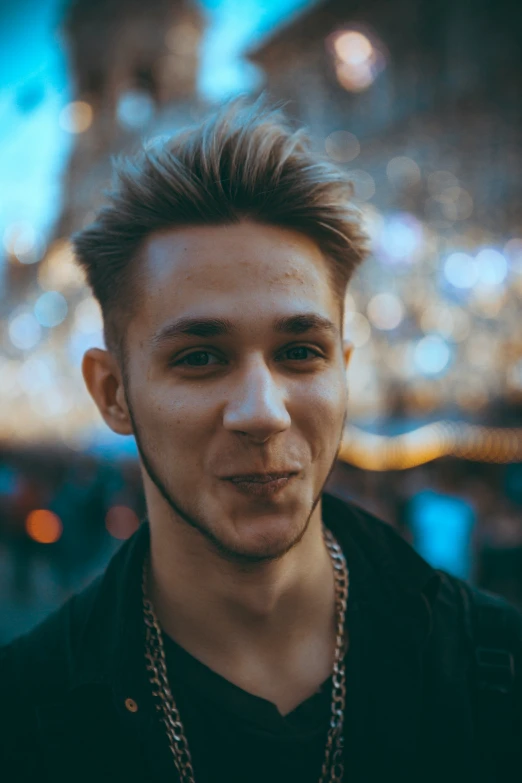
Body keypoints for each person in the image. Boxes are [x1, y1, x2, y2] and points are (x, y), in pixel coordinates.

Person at [1, 101, 521, 783]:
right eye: (199, 358)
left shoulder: (496, 672)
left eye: (301, 351)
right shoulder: (28, 718)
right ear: (112, 392)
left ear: (344, 371)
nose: (263, 411)